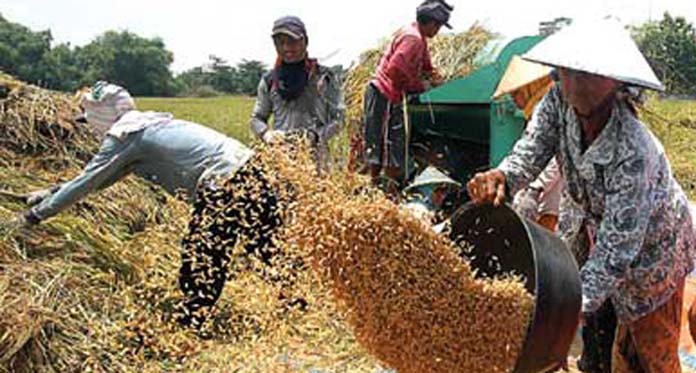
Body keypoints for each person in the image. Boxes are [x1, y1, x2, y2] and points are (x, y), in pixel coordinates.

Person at [466, 20, 695, 372]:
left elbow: (617, 251)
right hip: (593, 229)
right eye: (568, 72)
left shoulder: (634, 148)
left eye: (588, 75)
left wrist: (563, 311)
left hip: (653, 248)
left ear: (616, 82)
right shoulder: (556, 102)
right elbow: (531, 152)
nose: (575, 85)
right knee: (596, 338)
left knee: (649, 350)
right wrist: (503, 177)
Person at [12, 82, 288, 330]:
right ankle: (297, 309)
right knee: (268, 248)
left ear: (98, 116)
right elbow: (102, 179)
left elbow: (87, 181)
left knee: (202, 256)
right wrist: (49, 192)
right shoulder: (148, 123)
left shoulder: (123, 136)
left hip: (223, 184)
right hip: (254, 169)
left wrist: (34, 216)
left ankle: (190, 325)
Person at [363, 0, 452, 195]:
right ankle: (379, 193)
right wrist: (418, 86)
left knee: (389, 145)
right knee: (385, 146)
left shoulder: (416, 35)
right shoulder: (413, 39)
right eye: (437, 26)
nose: (437, 30)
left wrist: (434, 75)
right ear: (430, 22)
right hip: (384, 94)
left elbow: (425, 64)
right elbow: (394, 69)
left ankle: (383, 190)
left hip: (387, 94)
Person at [250, 15, 345, 171]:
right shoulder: (269, 80)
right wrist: (267, 134)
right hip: (281, 160)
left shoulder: (324, 77)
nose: (287, 48)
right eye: (281, 43)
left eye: (292, 42)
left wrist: (316, 136)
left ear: (305, 41)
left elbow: (340, 118)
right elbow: (257, 118)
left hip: (316, 161)